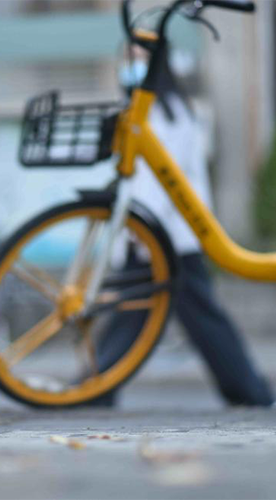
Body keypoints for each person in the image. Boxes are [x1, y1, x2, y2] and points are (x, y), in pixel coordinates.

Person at [95, 47, 274, 407]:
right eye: (128, 57)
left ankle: (250, 390)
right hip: (155, 237)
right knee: (140, 317)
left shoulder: (168, 114)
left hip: (166, 238)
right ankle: (95, 387)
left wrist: (139, 224)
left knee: (196, 321)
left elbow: (162, 179)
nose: (131, 66)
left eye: (139, 58)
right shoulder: (160, 112)